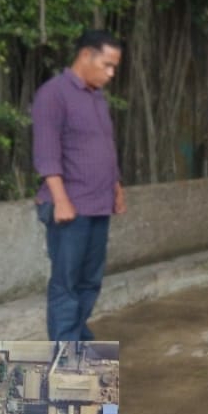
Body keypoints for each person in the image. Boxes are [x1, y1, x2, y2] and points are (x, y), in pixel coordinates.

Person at [31, 29, 127, 341]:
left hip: (98, 203)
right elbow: (47, 153)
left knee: (90, 281)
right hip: (70, 207)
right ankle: (66, 351)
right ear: (86, 55)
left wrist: (116, 188)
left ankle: (75, 339)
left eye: (114, 67)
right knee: (67, 283)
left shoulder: (96, 97)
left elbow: (104, 146)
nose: (111, 74)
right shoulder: (53, 94)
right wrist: (61, 200)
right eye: (107, 65)